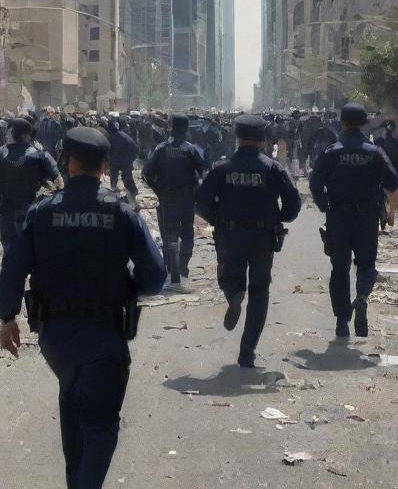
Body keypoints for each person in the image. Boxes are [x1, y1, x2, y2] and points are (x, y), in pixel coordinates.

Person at [0, 126, 166, 489]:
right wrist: (126, 289)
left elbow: (13, 267)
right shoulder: (121, 213)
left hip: (56, 338)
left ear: (68, 162)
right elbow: (155, 276)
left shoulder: (42, 212)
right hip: (105, 333)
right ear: (105, 166)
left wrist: (7, 317)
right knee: (102, 425)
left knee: (73, 407)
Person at [196, 114, 301, 368]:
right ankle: (247, 351)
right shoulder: (273, 168)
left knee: (230, 278)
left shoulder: (222, 168)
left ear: (237, 137)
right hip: (263, 238)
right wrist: (279, 218)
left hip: (230, 235)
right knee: (260, 291)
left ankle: (233, 295)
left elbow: (201, 203)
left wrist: (218, 219)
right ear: (262, 139)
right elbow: (293, 205)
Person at [309, 102, 398, 339]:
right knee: (367, 265)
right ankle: (361, 297)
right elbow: (393, 185)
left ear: (342, 122)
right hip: (367, 218)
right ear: (363, 123)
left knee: (339, 269)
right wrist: (390, 214)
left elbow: (315, 185)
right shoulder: (374, 152)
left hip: (338, 217)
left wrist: (324, 206)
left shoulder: (332, 151)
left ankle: (341, 321)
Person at [142, 115, 207, 286]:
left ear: (170, 127)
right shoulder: (191, 150)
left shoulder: (161, 149)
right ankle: (183, 270)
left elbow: (146, 174)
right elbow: (203, 174)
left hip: (167, 199)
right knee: (186, 236)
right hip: (186, 200)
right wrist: (196, 191)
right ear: (186, 129)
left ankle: (173, 272)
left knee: (170, 237)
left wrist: (158, 191)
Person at [0, 117, 60, 249]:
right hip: (30, 206)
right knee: (29, 243)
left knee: (8, 244)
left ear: (11, 133)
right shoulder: (40, 155)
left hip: (4, 208)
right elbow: (58, 181)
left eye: (8, 131)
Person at [106, 118, 140, 206]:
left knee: (126, 178)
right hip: (116, 161)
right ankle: (115, 192)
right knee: (115, 177)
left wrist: (129, 159)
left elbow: (135, 148)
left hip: (123, 161)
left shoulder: (121, 136)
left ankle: (133, 193)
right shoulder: (115, 136)